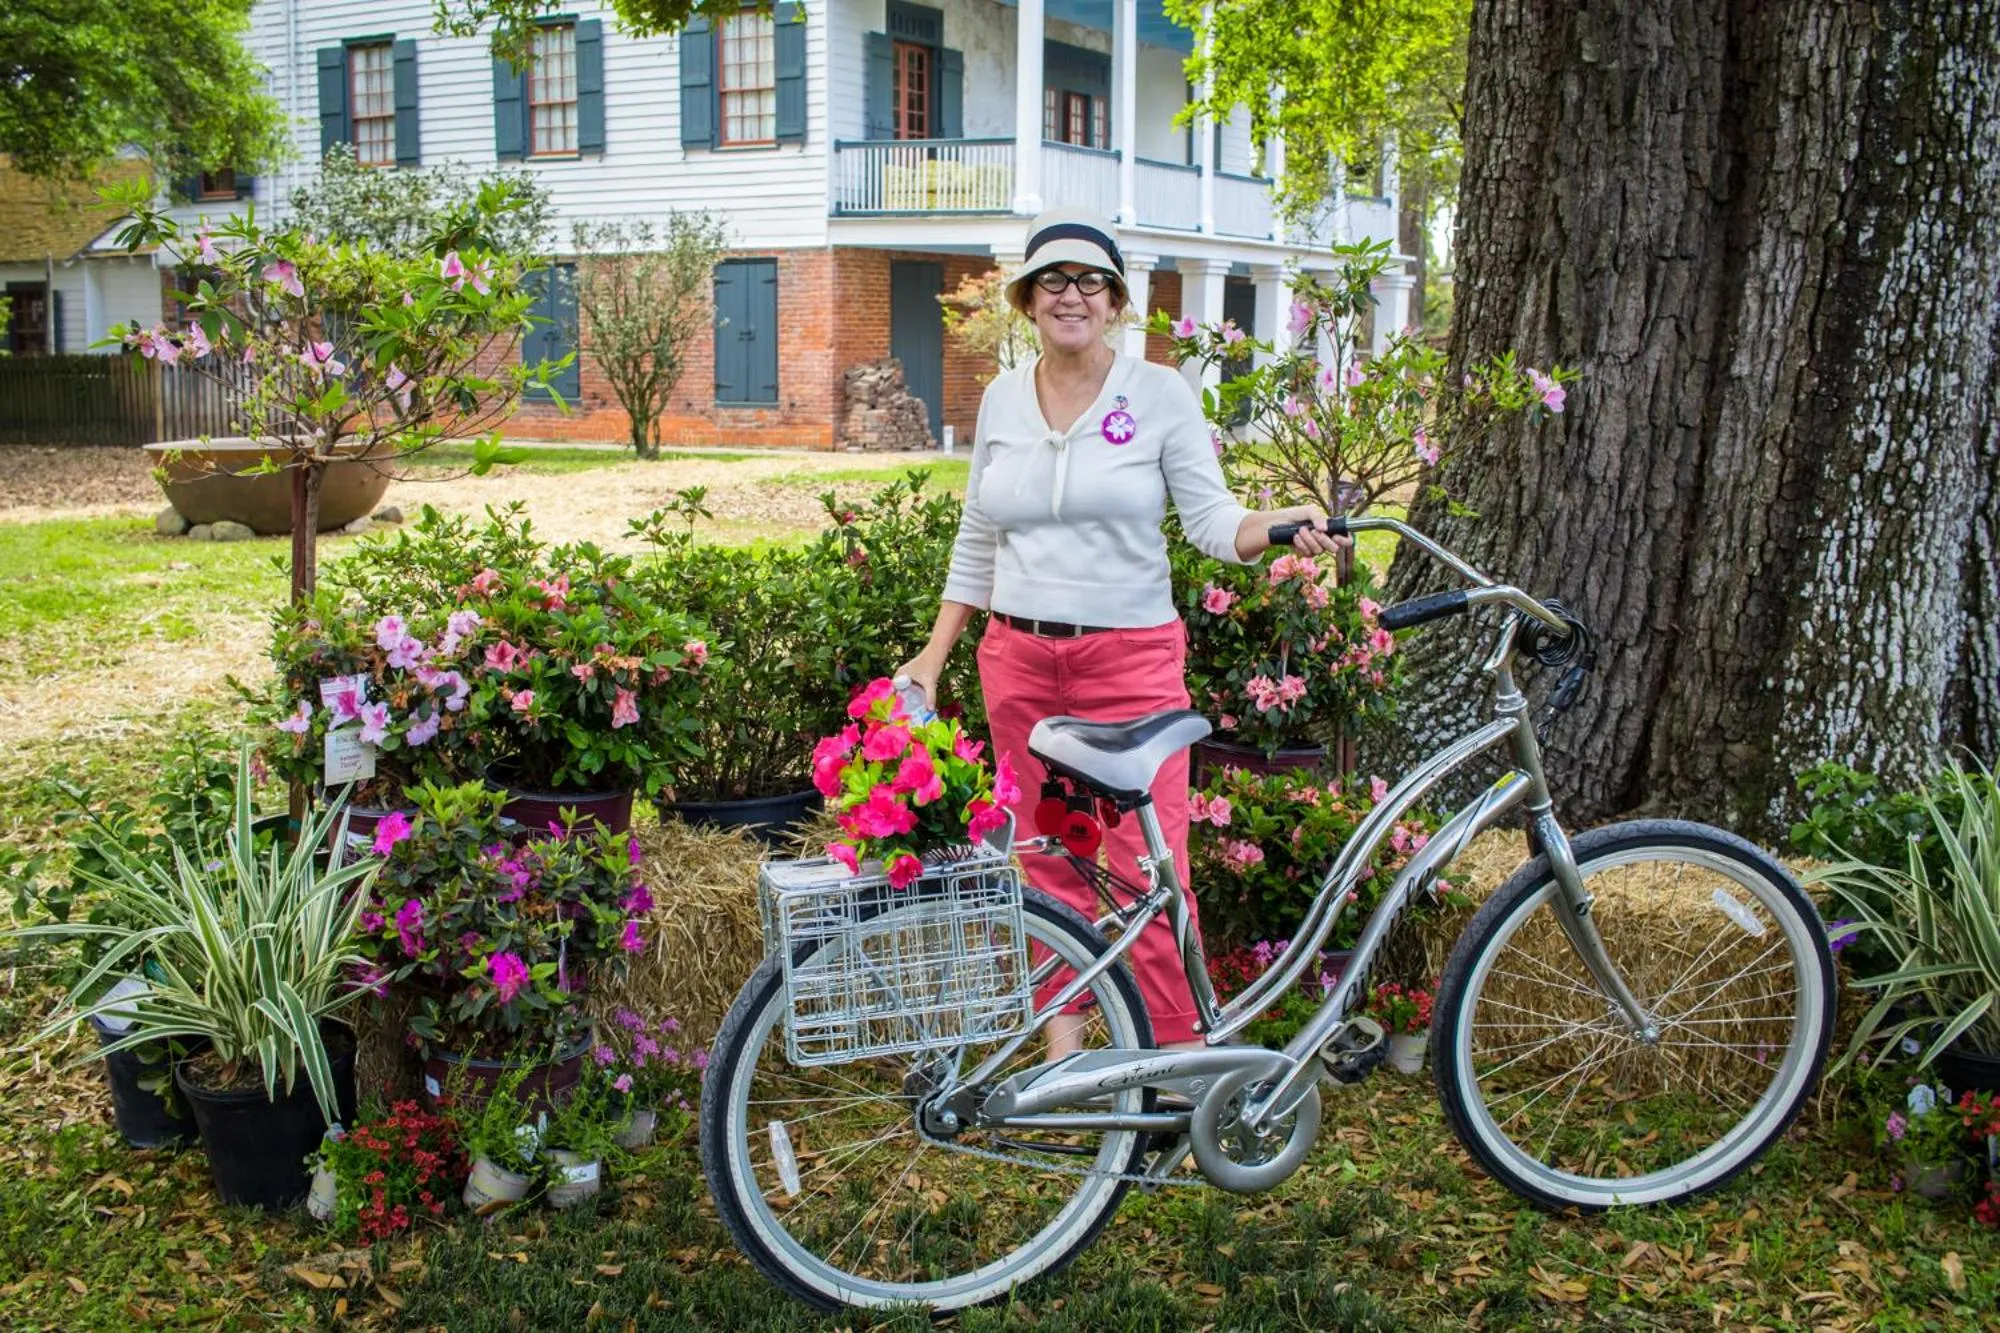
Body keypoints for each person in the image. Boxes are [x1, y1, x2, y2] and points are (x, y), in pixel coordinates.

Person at [896, 209, 1344, 1051]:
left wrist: (1282, 522)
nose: (1073, 296)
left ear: (1116, 301)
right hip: (1019, 660)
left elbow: (1215, 524)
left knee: (1148, 864)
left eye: (1091, 281)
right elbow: (979, 537)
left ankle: (1175, 1059)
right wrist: (933, 654)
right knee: (1044, 856)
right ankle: (1065, 1058)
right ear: (1028, 301)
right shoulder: (1000, 398)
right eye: (1054, 281)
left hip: (1131, 665)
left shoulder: (1159, 394)